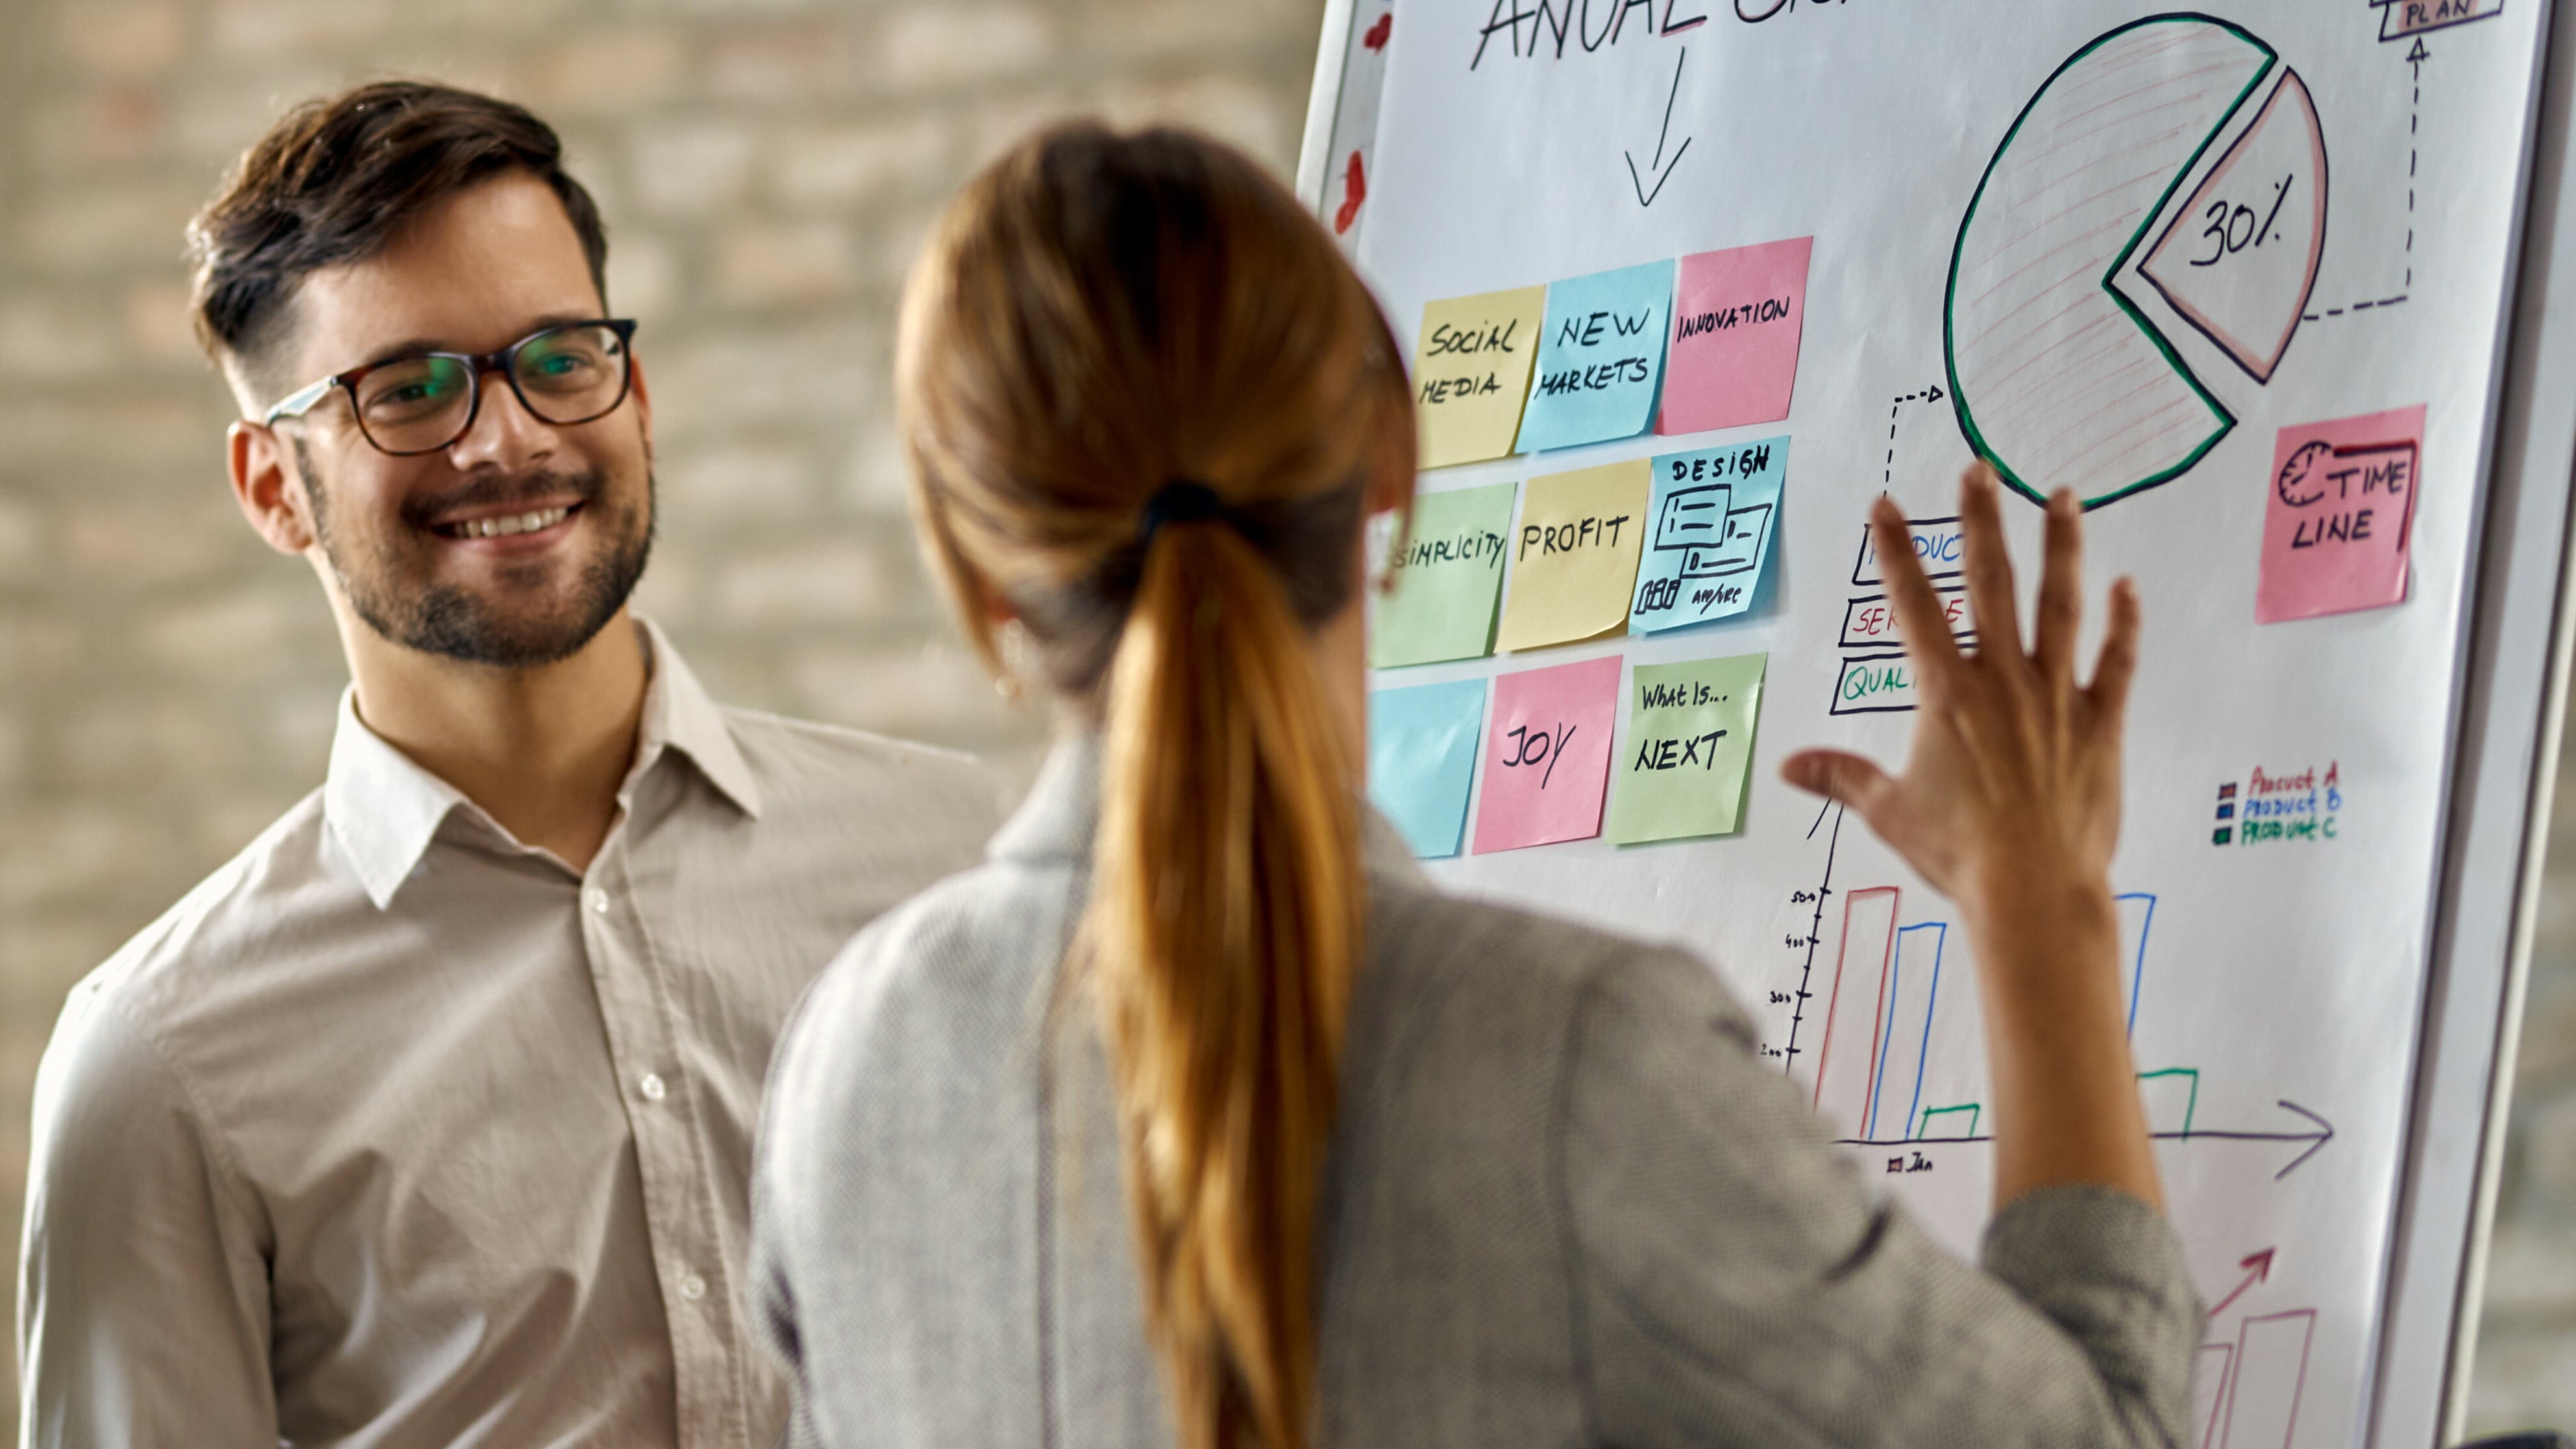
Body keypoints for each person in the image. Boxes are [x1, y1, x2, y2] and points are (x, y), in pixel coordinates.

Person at [746, 121, 2200, 1449]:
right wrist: (2039, 899)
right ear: (1387, 463)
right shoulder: (1581, 1064)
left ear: (976, 572)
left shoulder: (840, 1069)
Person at [16, 82, 1001, 1447]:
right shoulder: (162, 1065)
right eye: (407, 389)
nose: (507, 437)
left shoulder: (962, 868)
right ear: (270, 487)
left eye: (559, 356)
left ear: (634, 392)